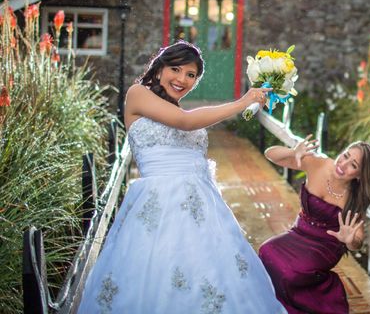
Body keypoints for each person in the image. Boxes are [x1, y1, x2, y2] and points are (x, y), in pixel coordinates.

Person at [78, 41, 286, 314]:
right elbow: (185, 122)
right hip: (159, 204)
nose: (182, 79)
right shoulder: (137, 94)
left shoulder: (177, 107)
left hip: (202, 209)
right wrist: (242, 102)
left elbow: (188, 125)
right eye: (175, 69)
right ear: (159, 67)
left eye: (191, 75)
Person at [258, 137, 370, 314]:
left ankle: (319, 295)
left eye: (353, 165)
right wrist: (293, 152)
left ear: (360, 174)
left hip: (325, 246)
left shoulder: (355, 197)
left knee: (292, 272)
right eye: (345, 156)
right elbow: (270, 154)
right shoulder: (318, 164)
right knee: (266, 250)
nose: (343, 164)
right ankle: (273, 305)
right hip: (299, 232)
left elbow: (357, 239)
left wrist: (349, 240)